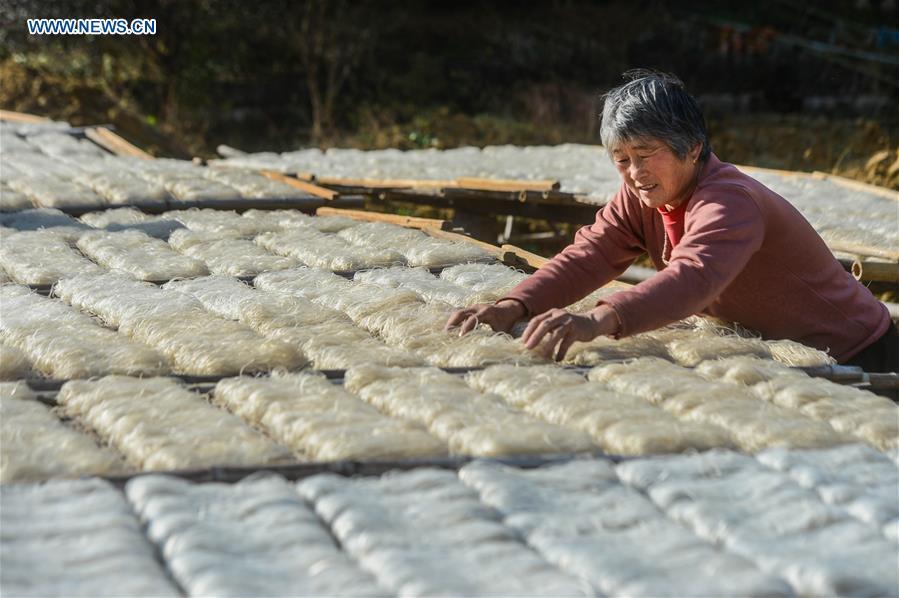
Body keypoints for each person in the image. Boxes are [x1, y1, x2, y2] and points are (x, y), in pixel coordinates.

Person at [445, 70, 897, 372]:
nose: (635, 173)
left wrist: (600, 321)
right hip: (780, 354)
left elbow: (693, 278)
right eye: (621, 159)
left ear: (693, 147)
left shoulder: (730, 202)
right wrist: (514, 305)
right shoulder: (642, 196)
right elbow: (590, 255)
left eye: (646, 155)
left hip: (860, 355)